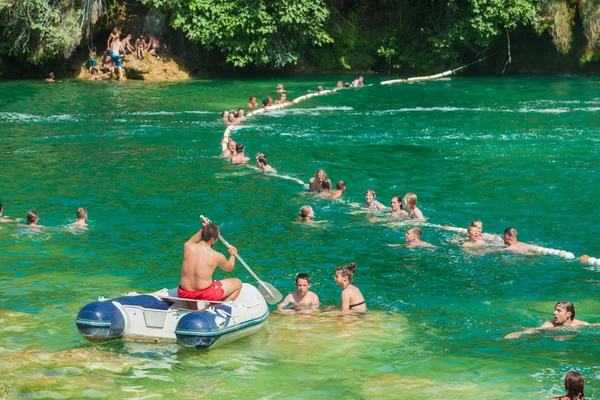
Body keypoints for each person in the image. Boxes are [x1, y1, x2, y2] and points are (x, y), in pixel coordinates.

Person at [178, 219, 242, 304]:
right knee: (238, 283)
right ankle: (218, 307)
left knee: (194, 287)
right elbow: (229, 267)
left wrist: (204, 228)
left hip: (184, 293)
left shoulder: (188, 246)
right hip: (204, 295)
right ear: (212, 240)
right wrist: (233, 254)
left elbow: (193, 240)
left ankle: (193, 306)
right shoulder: (216, 256)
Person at [505, 301, 595, 339]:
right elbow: (535, 329)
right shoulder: (549, 325)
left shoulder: (579, 324)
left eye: (559, 311)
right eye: (555, 310)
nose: (554, 313)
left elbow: (594, 325)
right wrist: (520, 333)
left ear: (568, 314)